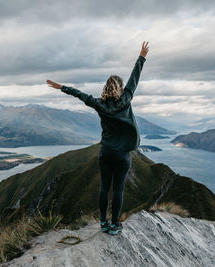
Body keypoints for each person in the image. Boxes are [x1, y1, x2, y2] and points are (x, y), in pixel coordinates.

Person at [46, 41, 149, 235]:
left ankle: (102, 222)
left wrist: (62, 87)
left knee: (104, 188)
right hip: (122, 155)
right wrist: (141, 56)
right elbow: (135, 78)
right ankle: (114, 225)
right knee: (118, 190)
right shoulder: (126, 99)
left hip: (106, 152)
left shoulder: (99, 104)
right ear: (120, 87)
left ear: (106, 88)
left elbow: (80, 95)